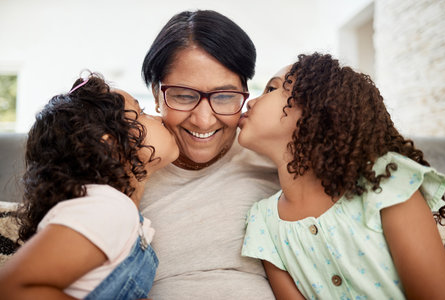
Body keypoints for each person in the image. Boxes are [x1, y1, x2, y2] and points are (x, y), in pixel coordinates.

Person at [239, 53, 445, 299]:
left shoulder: (385, 182)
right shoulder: (262, 221)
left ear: (315, 108)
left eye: (272, 88)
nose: (251, 102)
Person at [0, 73, 179, 299]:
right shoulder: (107, 208)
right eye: (141, 112)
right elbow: (11, 288)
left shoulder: (116, 212)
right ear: (111, 145)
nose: (160, 117)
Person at [140, 10, 280, 299]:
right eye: (183, 95)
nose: (204, 120)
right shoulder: (126, 167)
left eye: (225, 96)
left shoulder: (277, 160)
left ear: (245, 93)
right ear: (156, 94)